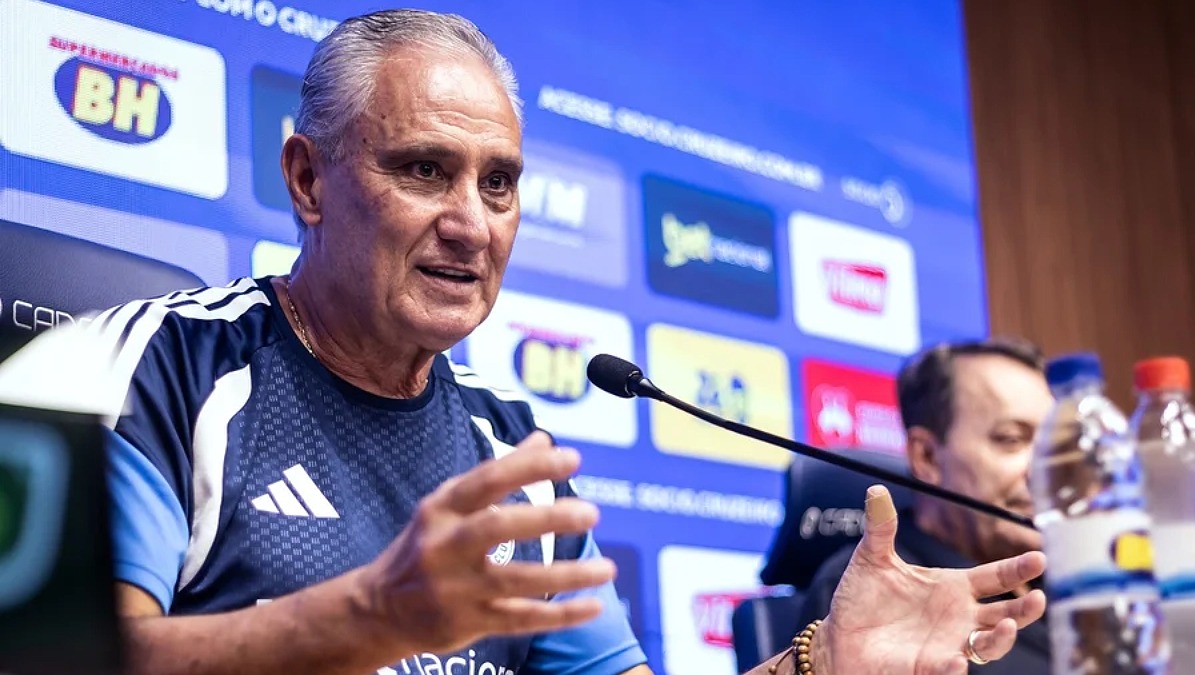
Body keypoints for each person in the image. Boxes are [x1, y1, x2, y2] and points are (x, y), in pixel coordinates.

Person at [0, 10, 1047, 675]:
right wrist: (368, 615)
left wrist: (822, 664)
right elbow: (51, 659)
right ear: (308, 180)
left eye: (499, 183)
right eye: (424, 169)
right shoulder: (166, 370)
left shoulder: (511, 455)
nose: (472, 223)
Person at [797, 338, 1055, 674]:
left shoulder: (1073, 583)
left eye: (1052, 444)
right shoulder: (870, 598)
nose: (1046, 470)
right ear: (927, 456)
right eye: (1011, 439)